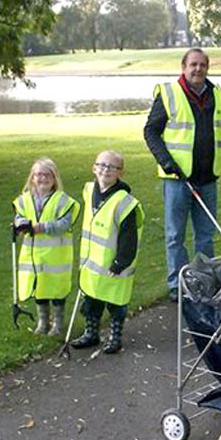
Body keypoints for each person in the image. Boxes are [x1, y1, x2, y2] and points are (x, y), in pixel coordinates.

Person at [144, 48, 221, 302]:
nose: (198, 69)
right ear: (183, 67)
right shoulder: (169, 94)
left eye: (202, 65)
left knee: (205, 236)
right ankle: (177, 285)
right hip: (177, 180)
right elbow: (151, 132)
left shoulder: (214, 93)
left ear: (207, 67)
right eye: (193, 64)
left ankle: (202, 281)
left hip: (207, 179)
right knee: (175, 237)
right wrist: (166, 161)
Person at [71, 150, 144, 354]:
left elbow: (129, 237)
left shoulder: (124, 202)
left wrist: (121, 262)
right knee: (92, 299)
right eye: (102, 165)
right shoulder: (89, 190)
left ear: (121, 172)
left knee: (115, 302)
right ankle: (91, 333)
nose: (106, 170)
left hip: (114, 265)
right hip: (92, 262)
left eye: (112, 167)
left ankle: (115, 336)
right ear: (94, 168)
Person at [13, 158, 80, 336]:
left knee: (57, 289)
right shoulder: (24, 200)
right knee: (39, 287)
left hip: (57, 255)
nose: (42, 178)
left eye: (46, 174)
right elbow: (19, 217)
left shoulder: (63, 201)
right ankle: (43, 322)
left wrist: (41, 227)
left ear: (54, 177)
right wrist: (21, 224)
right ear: (32, 178)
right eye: (38, 175)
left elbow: (64, 224)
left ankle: (57, 323)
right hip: (34, 254)